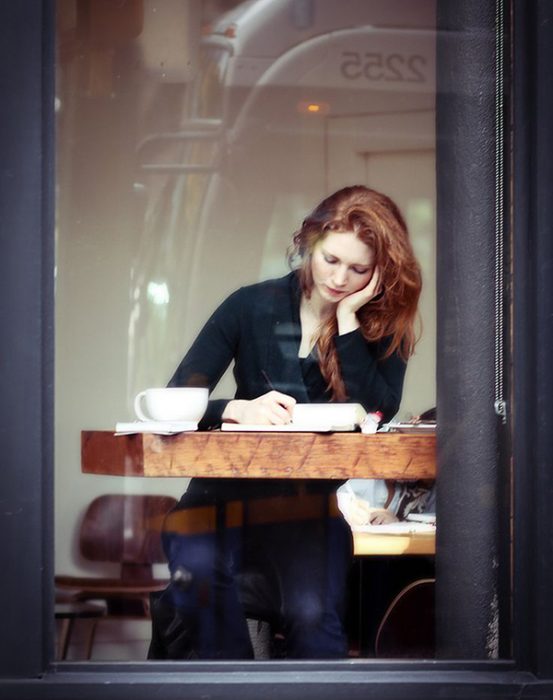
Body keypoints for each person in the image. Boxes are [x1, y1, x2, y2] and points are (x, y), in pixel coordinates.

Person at [148, 185, 422, 660]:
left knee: (315, 621)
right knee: (199, 584)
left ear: (380, 271)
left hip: (307, 513)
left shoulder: (382, 325)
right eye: (330, 260)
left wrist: (350, 322)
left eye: (358, 270)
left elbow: (377, 412)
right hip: (219, 501)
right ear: (311, 242)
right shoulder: (251, 305)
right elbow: (177, 398)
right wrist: (233, 408)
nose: (339, 279)